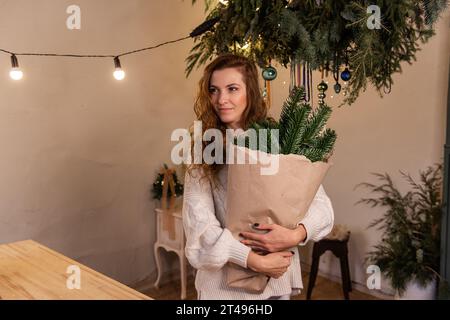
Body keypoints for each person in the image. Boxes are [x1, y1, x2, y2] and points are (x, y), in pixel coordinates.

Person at [182, 53, 334, 300]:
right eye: (214, 90)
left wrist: (295, 235)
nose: (222, 99)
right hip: (223, 289)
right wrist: (252, 260)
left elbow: (322, 207)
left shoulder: (278, 139)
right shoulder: (203, 149)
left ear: (250, 91)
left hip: (276, 279)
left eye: (232, 89)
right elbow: (199, 224)